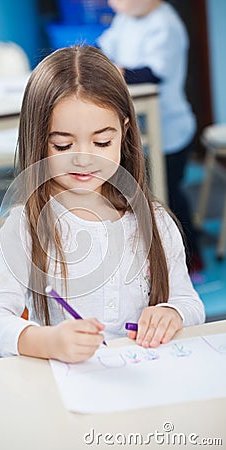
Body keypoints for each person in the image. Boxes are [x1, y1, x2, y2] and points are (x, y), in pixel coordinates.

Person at [0, 45, 205, 364]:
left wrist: (171, 312)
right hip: (62, 391)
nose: (84, 157)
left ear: (124, 134)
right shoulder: (26, 226)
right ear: (38, 140)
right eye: (63, 144)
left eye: (102, 142)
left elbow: (190, 303)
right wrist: (46, 341)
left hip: (143, 381)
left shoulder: (154, 220)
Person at [97, 0, 204, 274]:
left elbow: (152, 73)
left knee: (169, 196)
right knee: (143, 194)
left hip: (169, 131)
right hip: (139, 130)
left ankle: (191, 256)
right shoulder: (125, 19)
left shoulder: (165, 24)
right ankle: (152, 257)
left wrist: (116, 72)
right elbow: (102, 49)